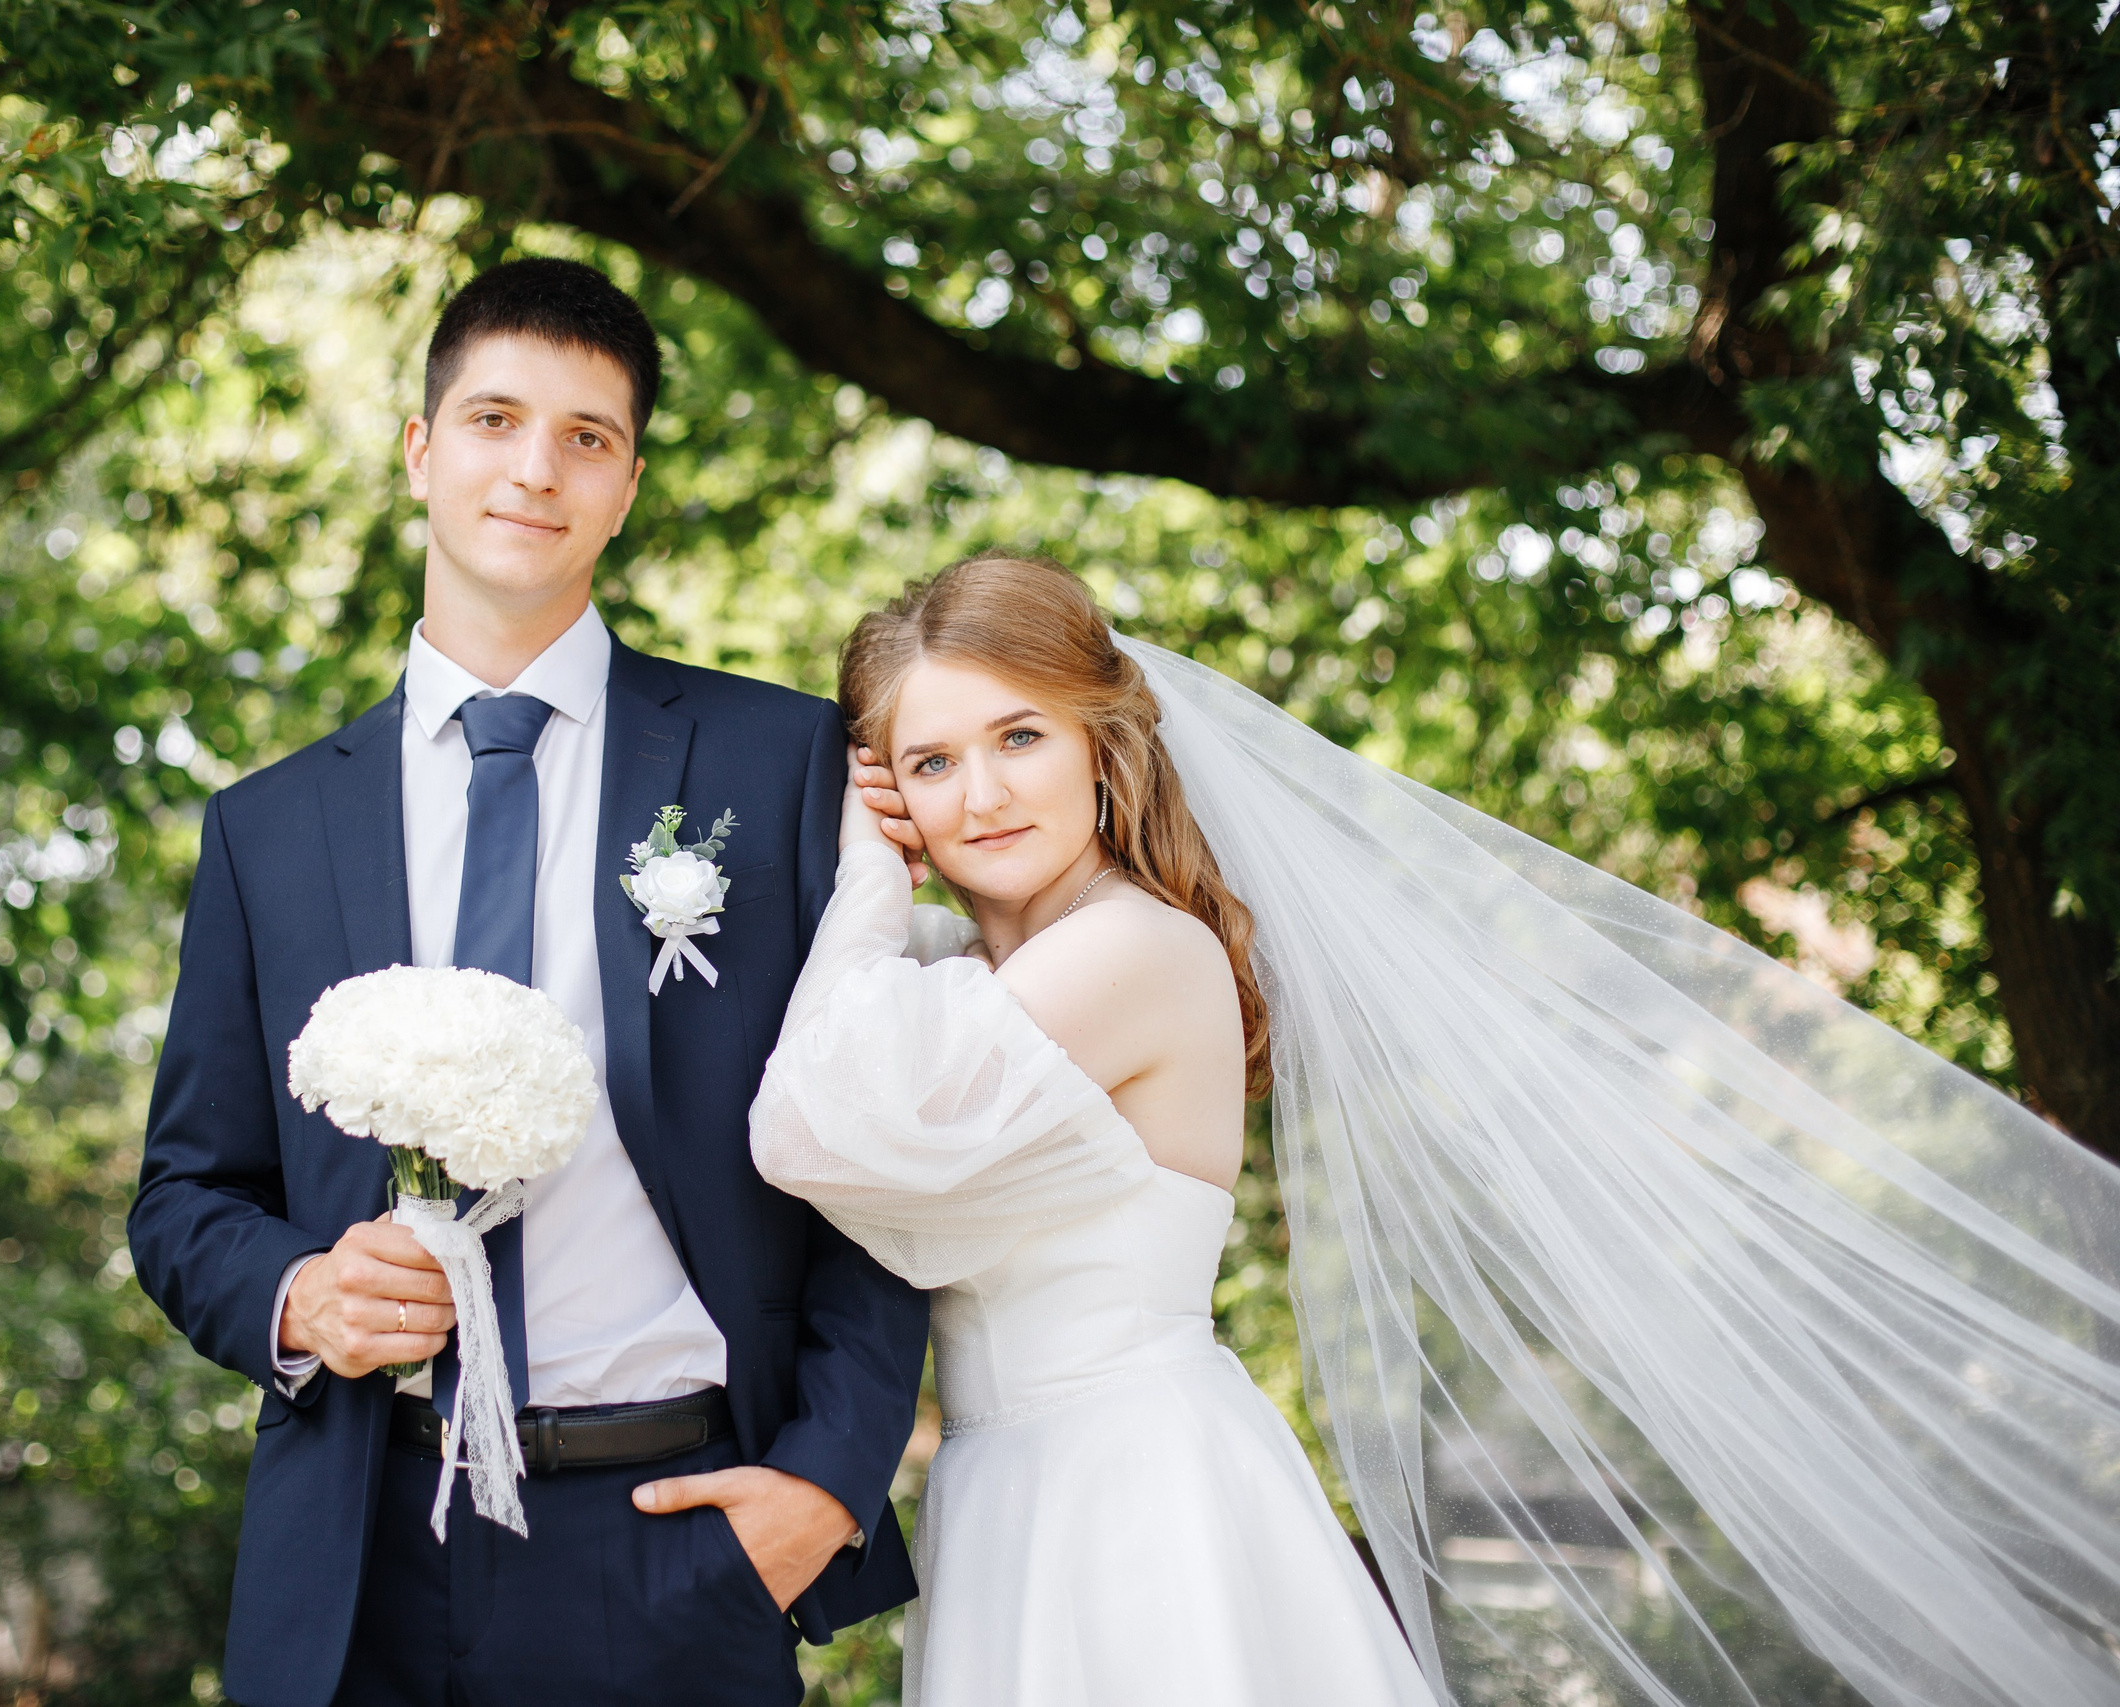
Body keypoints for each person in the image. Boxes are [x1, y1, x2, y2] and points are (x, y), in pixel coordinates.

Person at [752, 554, 2120, 1707]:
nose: (980, 795)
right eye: (929, 763)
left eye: (1019, 738)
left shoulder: (1127, 950)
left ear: (1103, 744)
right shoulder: (980, 983)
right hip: (1016, 1489)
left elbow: (810, 1132)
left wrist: (865, 877)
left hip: (1134, 1493)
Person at [128, 257, 928, 1707]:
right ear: (423, 453)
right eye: (495, 419)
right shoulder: (269, 826)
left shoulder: (786, 765)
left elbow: (879, 1152)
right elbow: (186, 1195)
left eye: (588, 437)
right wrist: (300, 1293)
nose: (536, 469)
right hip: (365, 1541)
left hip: (674, 1538)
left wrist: (826, 1482)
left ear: (626, 487)